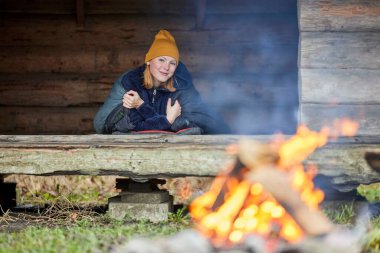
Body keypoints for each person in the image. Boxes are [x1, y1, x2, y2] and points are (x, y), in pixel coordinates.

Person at [93, 30, 230, 135]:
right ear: (148, 60)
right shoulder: (129, 82)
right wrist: (169, 120)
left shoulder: (181, 84)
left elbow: (201, 122)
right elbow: (102, 125)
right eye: (161, 60)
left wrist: (145, 113)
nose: (166, 67)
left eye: (172, 63)